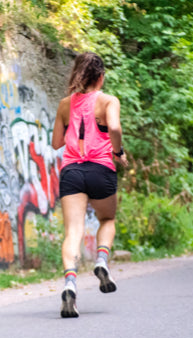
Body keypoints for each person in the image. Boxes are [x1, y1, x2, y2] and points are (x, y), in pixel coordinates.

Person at [51, 52, 128, 318]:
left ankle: (70, 283)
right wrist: (118, 153)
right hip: (101, 169)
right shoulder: (108, 101)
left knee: (73, 231)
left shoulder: (64, 104)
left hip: (72, 171)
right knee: (108, 219)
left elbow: (56, 143)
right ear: (101, 77)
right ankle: (102, 261)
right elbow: (115, 129)